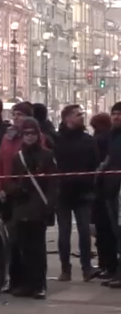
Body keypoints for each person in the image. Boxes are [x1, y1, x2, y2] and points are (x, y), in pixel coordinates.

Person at [0, 102, 49, 293]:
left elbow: (50, 180)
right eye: (14, 114)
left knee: (35, 246)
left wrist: (49, 204)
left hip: (35, 201)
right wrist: (3, 188)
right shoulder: (11, 144)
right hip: (16, 200)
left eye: (21, 114)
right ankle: (18, 281)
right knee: (16, 242)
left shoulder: (44, 150)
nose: (16, 118)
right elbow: (2, 166)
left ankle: (37, 283)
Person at [3, 119, 57, 299]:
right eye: (26, 134)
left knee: (38, 249)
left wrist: (50, 205)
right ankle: (26, 284)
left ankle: (39, 284)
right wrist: (16, 190)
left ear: (38, 135)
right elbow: (10, 180)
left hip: (39, 206)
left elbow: (53, 184)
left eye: (33, 134)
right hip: (21, 206)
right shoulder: (17, 157)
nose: (29, 137)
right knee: (22, 247)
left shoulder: (47, 155)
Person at [52, 105, 99, 281]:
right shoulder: (57, 139)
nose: (81, 117)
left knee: (84, 231)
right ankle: (66, 269)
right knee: (64, 233)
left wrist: (91, 184)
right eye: (77, 115)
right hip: (63, 192)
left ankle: (87, 268)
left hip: (83, 192)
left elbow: (95, 163)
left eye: (81, 115)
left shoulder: (87, 139)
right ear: (66, 118)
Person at [90, 112, 117, 281]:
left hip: (104, 188)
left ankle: (107, 264)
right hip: (107, 188)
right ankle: (109, 265)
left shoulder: (100, 140)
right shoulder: (110, 138)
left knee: (105, 230)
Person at [99, 102, 121, 288]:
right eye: (113, 114)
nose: (116, 117)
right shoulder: (112, 135)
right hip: (111, 189)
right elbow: (109, 158)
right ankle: (116, 272)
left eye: (119, 114)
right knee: (116, 232)